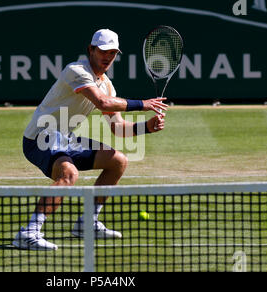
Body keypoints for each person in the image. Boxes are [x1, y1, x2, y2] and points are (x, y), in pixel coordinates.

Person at [13, 29, 167, 250]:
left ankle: (87, 223)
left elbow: (118, 127)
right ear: (91, 50)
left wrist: (147, 128)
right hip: (39, 137)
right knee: (69, 174)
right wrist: (144, 104)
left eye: (113, 53)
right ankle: (29, 232)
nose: (108, 57)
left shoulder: (107, 84)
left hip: (65, 139)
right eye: (103, 51)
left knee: (118, 161)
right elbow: (103, 103)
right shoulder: (75, 70)